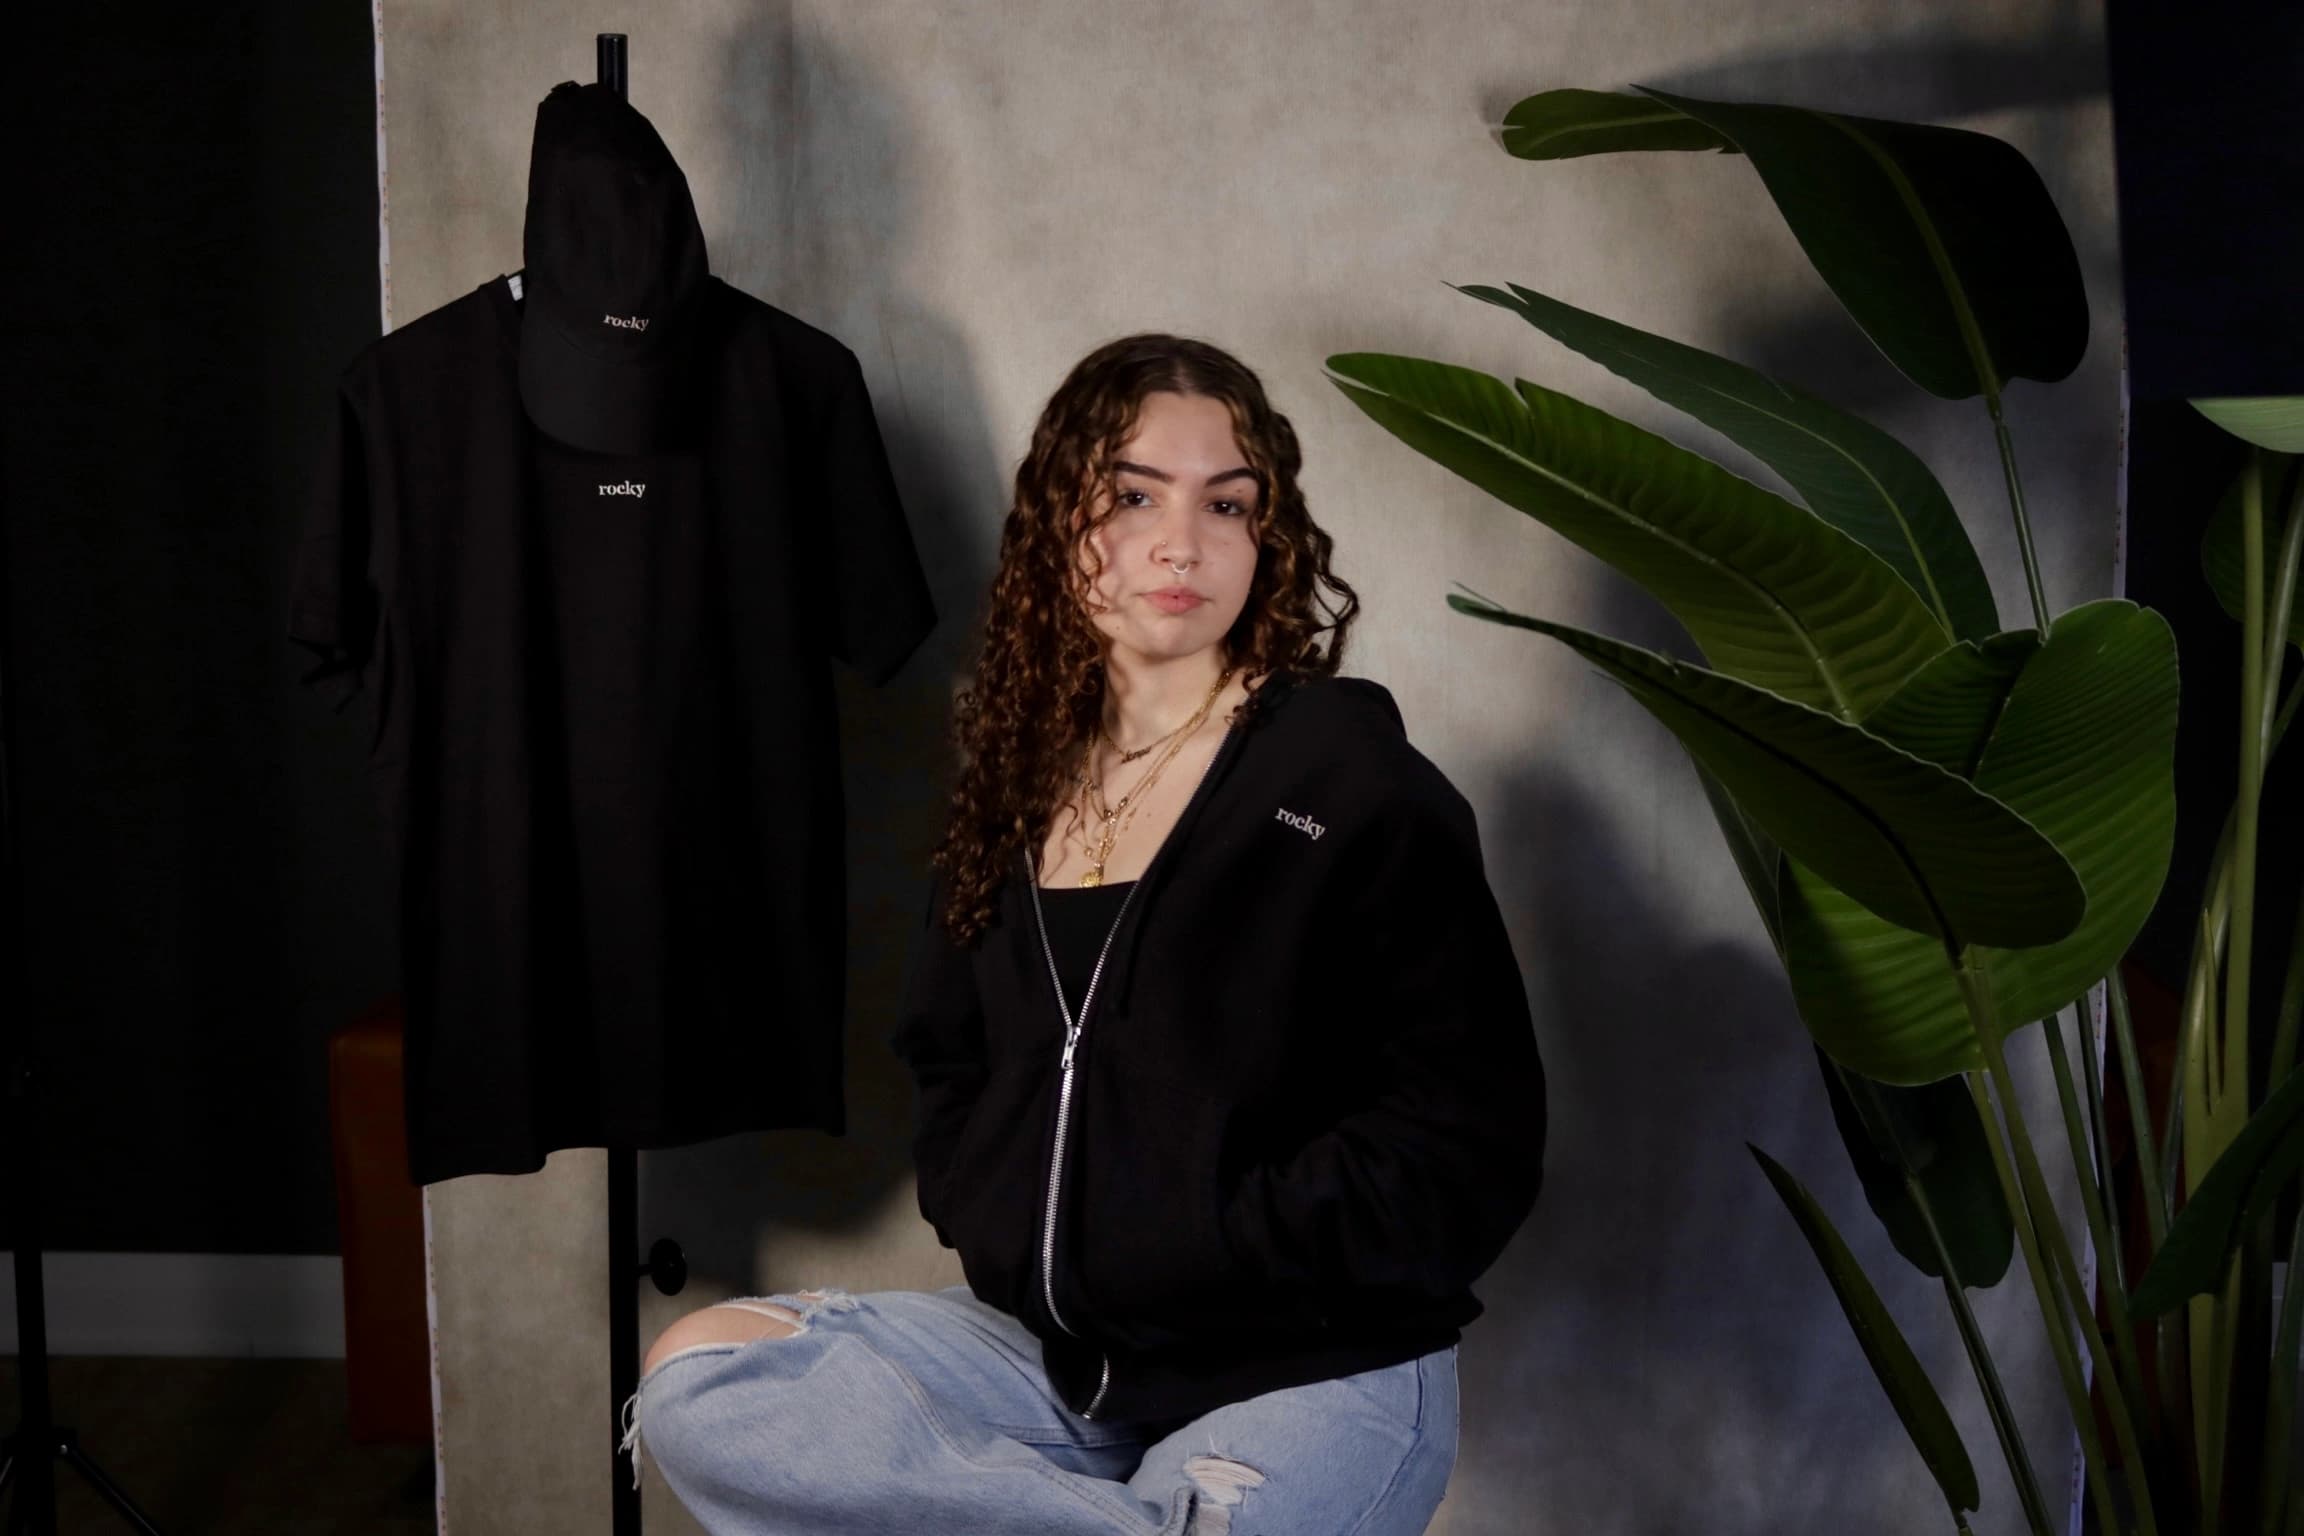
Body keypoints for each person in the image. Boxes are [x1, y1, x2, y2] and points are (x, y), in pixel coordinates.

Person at [625, 335, 1547, 1535]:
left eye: (1228, 503)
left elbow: (1467, 1133)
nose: (1183, 543)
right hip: (1061, 1369)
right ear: (1062, 524)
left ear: (1266, 539)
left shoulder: (1348, 779)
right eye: (1130, 495)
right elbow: (949, 1060)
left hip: (1306, 1366)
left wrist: (1212, 1243)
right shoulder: (1019, 788)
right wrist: (1007, 1222)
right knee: (704, 1370)